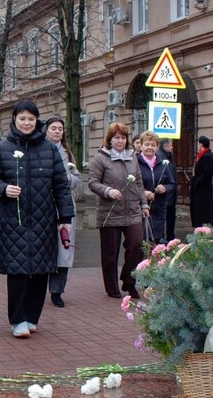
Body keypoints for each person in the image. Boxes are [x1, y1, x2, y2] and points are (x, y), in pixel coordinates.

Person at [0, 100, 74, 338]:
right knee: (18, 272)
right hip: (14, 220)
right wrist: (4, 189)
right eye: (22, 118)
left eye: (31, 119)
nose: (26, 123)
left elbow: (60, 186)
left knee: (41, 271)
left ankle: (32, 317)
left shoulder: (48, 148)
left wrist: (65, 217)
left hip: (44, 219)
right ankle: (17, 320)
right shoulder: (2, 149)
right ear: (14, 119)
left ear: (37, 121)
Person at [88, 122, 149, 300]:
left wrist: (144, 204)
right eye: (116, 138)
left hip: (132, 210)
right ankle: (112, 287)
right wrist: (107, 191)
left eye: (123, 137)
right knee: (110, 252)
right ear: (109, 139)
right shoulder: (101, 158)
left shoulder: (132, 157)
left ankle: (128, 280)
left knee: (137, 244)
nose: (120, 141)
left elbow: (138, 182)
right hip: (110, 211)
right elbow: (92, 182)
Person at [44, 115, 81, 308]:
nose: (57, 131)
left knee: (63, 247)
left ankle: (57, 290)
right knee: (45, 246)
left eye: (60, 128)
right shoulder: (39, 149)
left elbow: (77, 178)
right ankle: (40, 287)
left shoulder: (67, 153)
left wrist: (68, 179)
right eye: (53, 128)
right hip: (44, 203)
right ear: (46, 130)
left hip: (64, 204)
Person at [136, 131, 175, 243]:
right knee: (140, 244)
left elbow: (172, 184)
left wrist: (165, 188)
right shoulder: (135, 163)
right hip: (139, 211)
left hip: (158, 211)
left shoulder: (163, 164)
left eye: (153, 145)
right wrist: (142, 193)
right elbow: (129, 184)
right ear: (141, 146)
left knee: (156, 245)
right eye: (147, 144)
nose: (150, 147)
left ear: (157, 147)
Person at [190, 135, 213, 227]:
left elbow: (207, 173)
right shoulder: (202, 156)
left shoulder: (208, 156)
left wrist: (196, 182)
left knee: (204, 214)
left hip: (203, 190)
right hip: (199, 190)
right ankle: (200, 229)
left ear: (201, 145)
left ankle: (205, 230)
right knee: (199, 212)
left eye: (198, 144)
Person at [156, 138, 177, 241]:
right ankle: (163, 237)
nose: (172, 147)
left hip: (170, 191)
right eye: (171, 145)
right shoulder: (161, 156)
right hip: (166, 193)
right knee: (164, 216)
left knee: (170, 215)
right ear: (166, 146)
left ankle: (170, 236)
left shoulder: (168, 155)